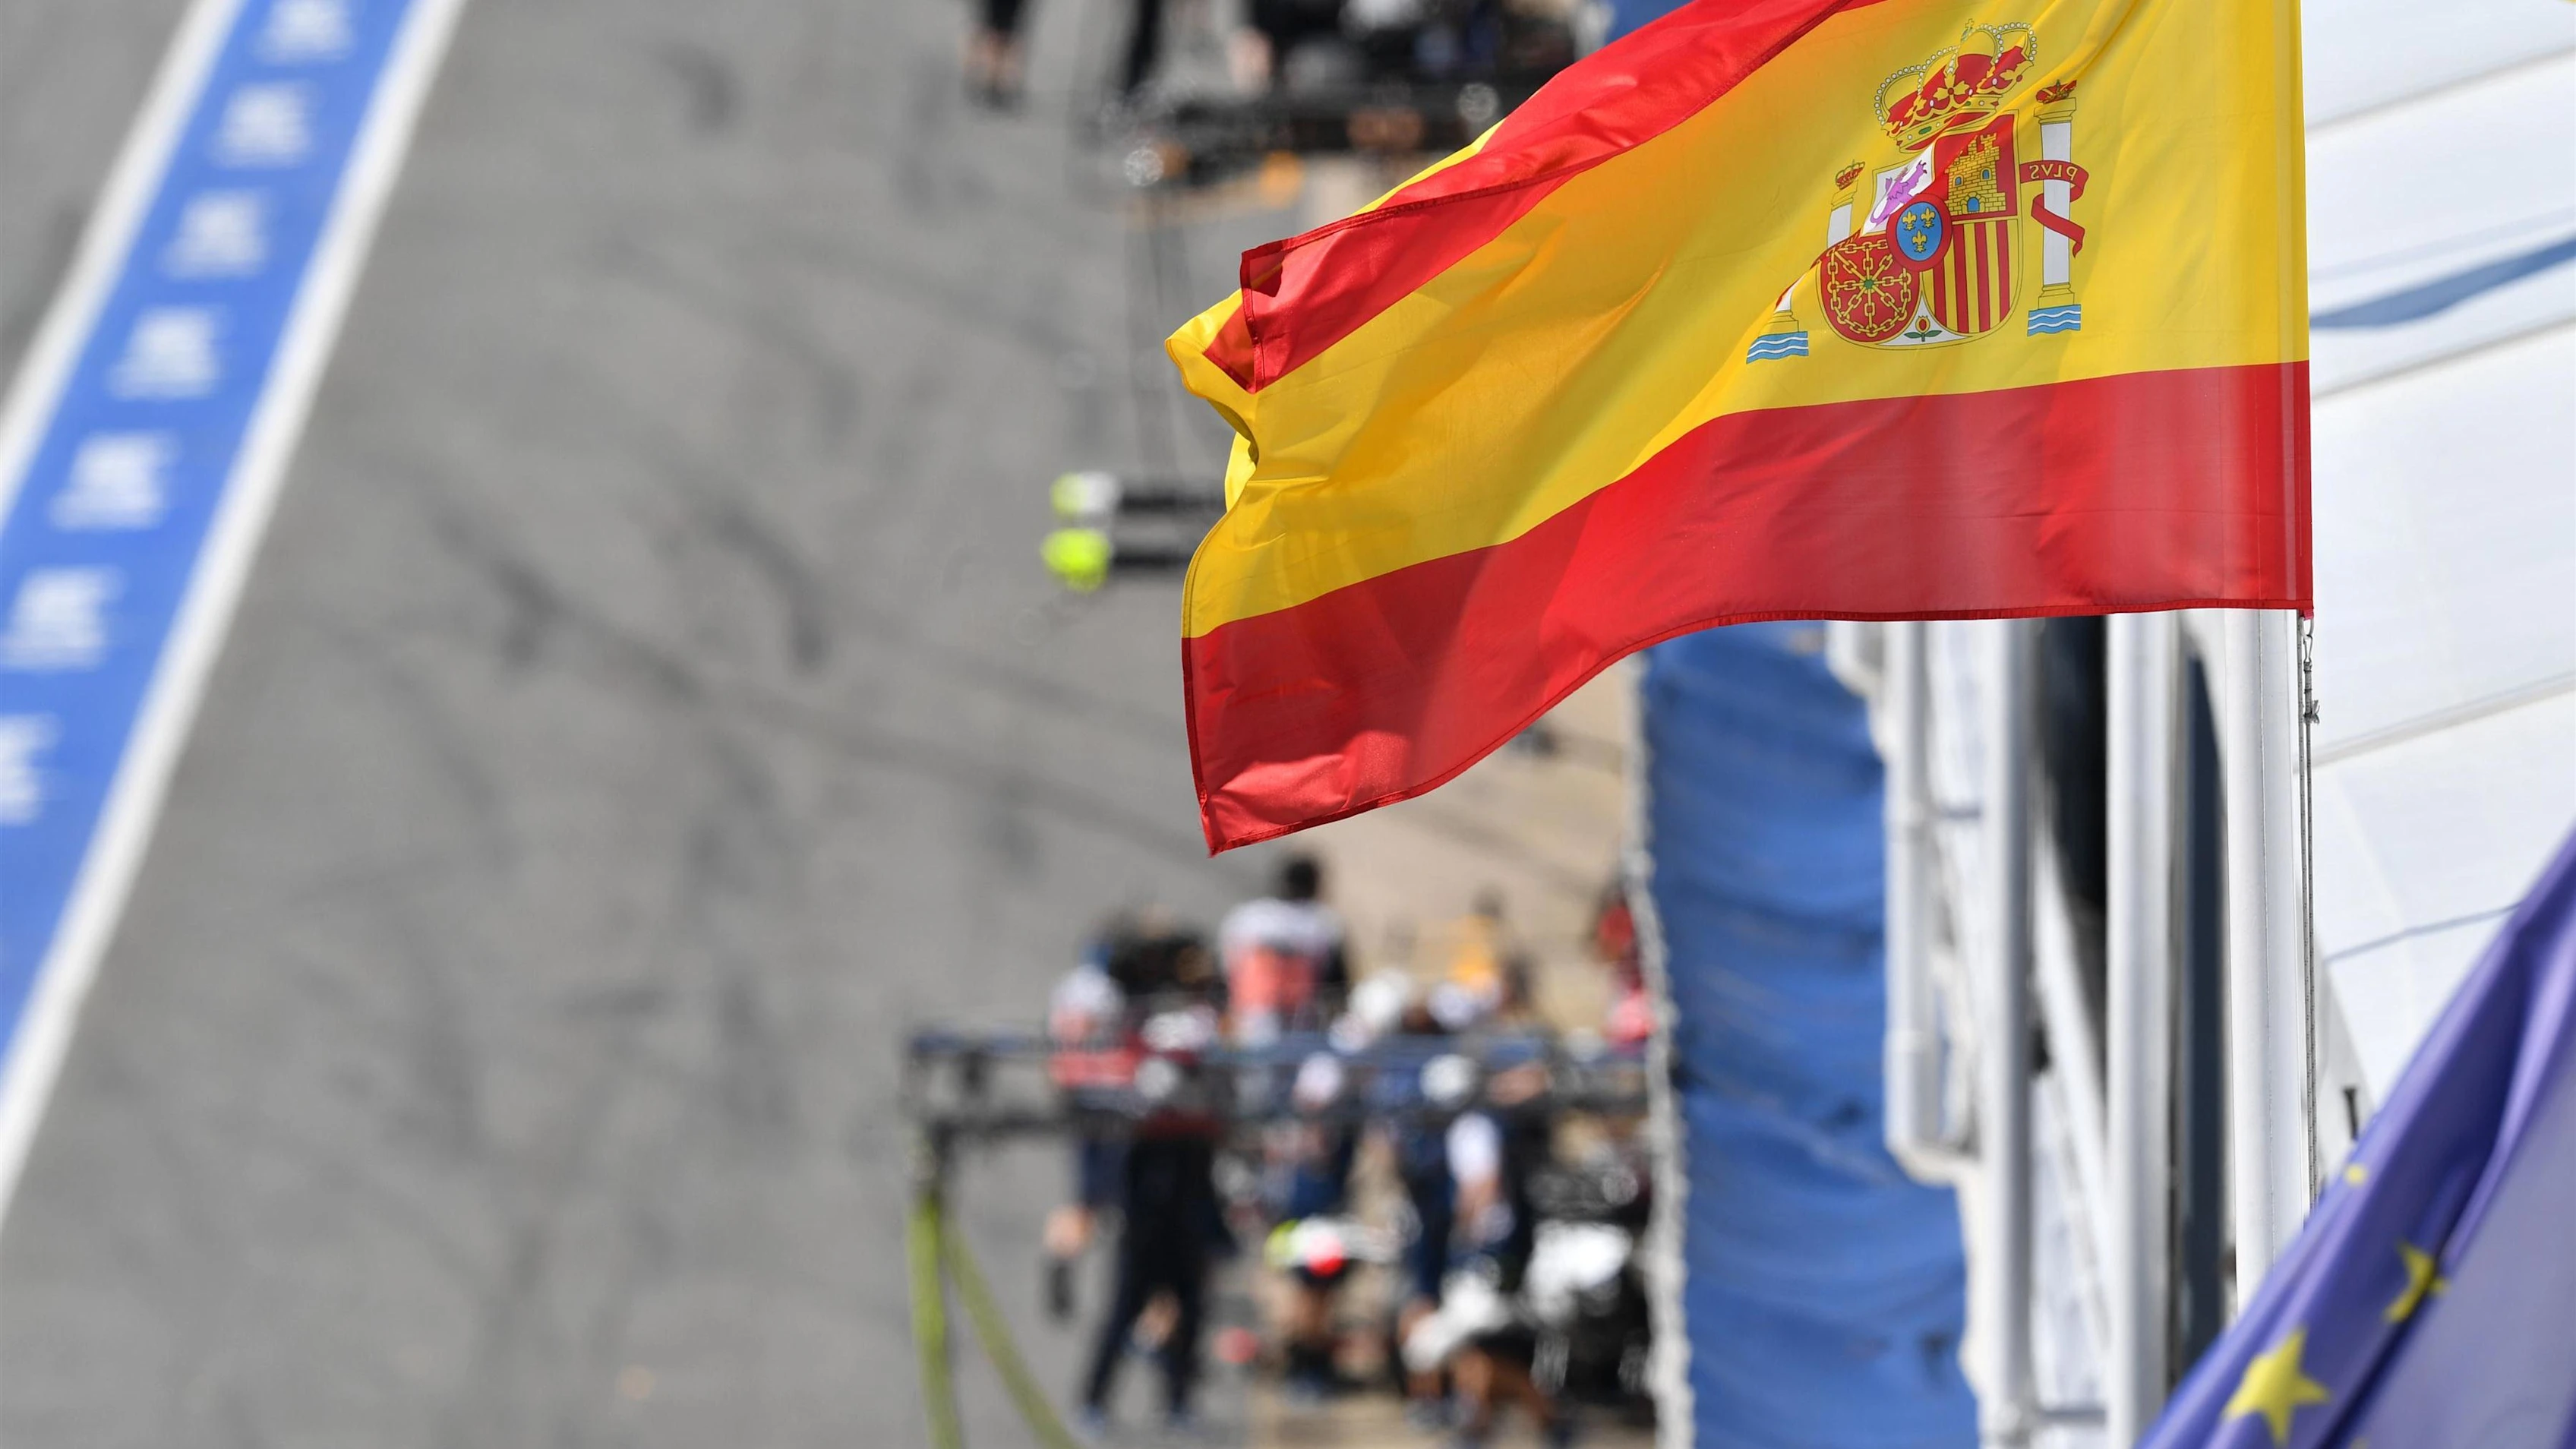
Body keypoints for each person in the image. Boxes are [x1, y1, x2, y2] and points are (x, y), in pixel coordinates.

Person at [1217, 854, 1349, 1046]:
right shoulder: (1322, 923)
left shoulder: (1246, 918)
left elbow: (1226, 970)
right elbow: (1337, 982)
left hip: (1252, 1021)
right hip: (1295, 1024)